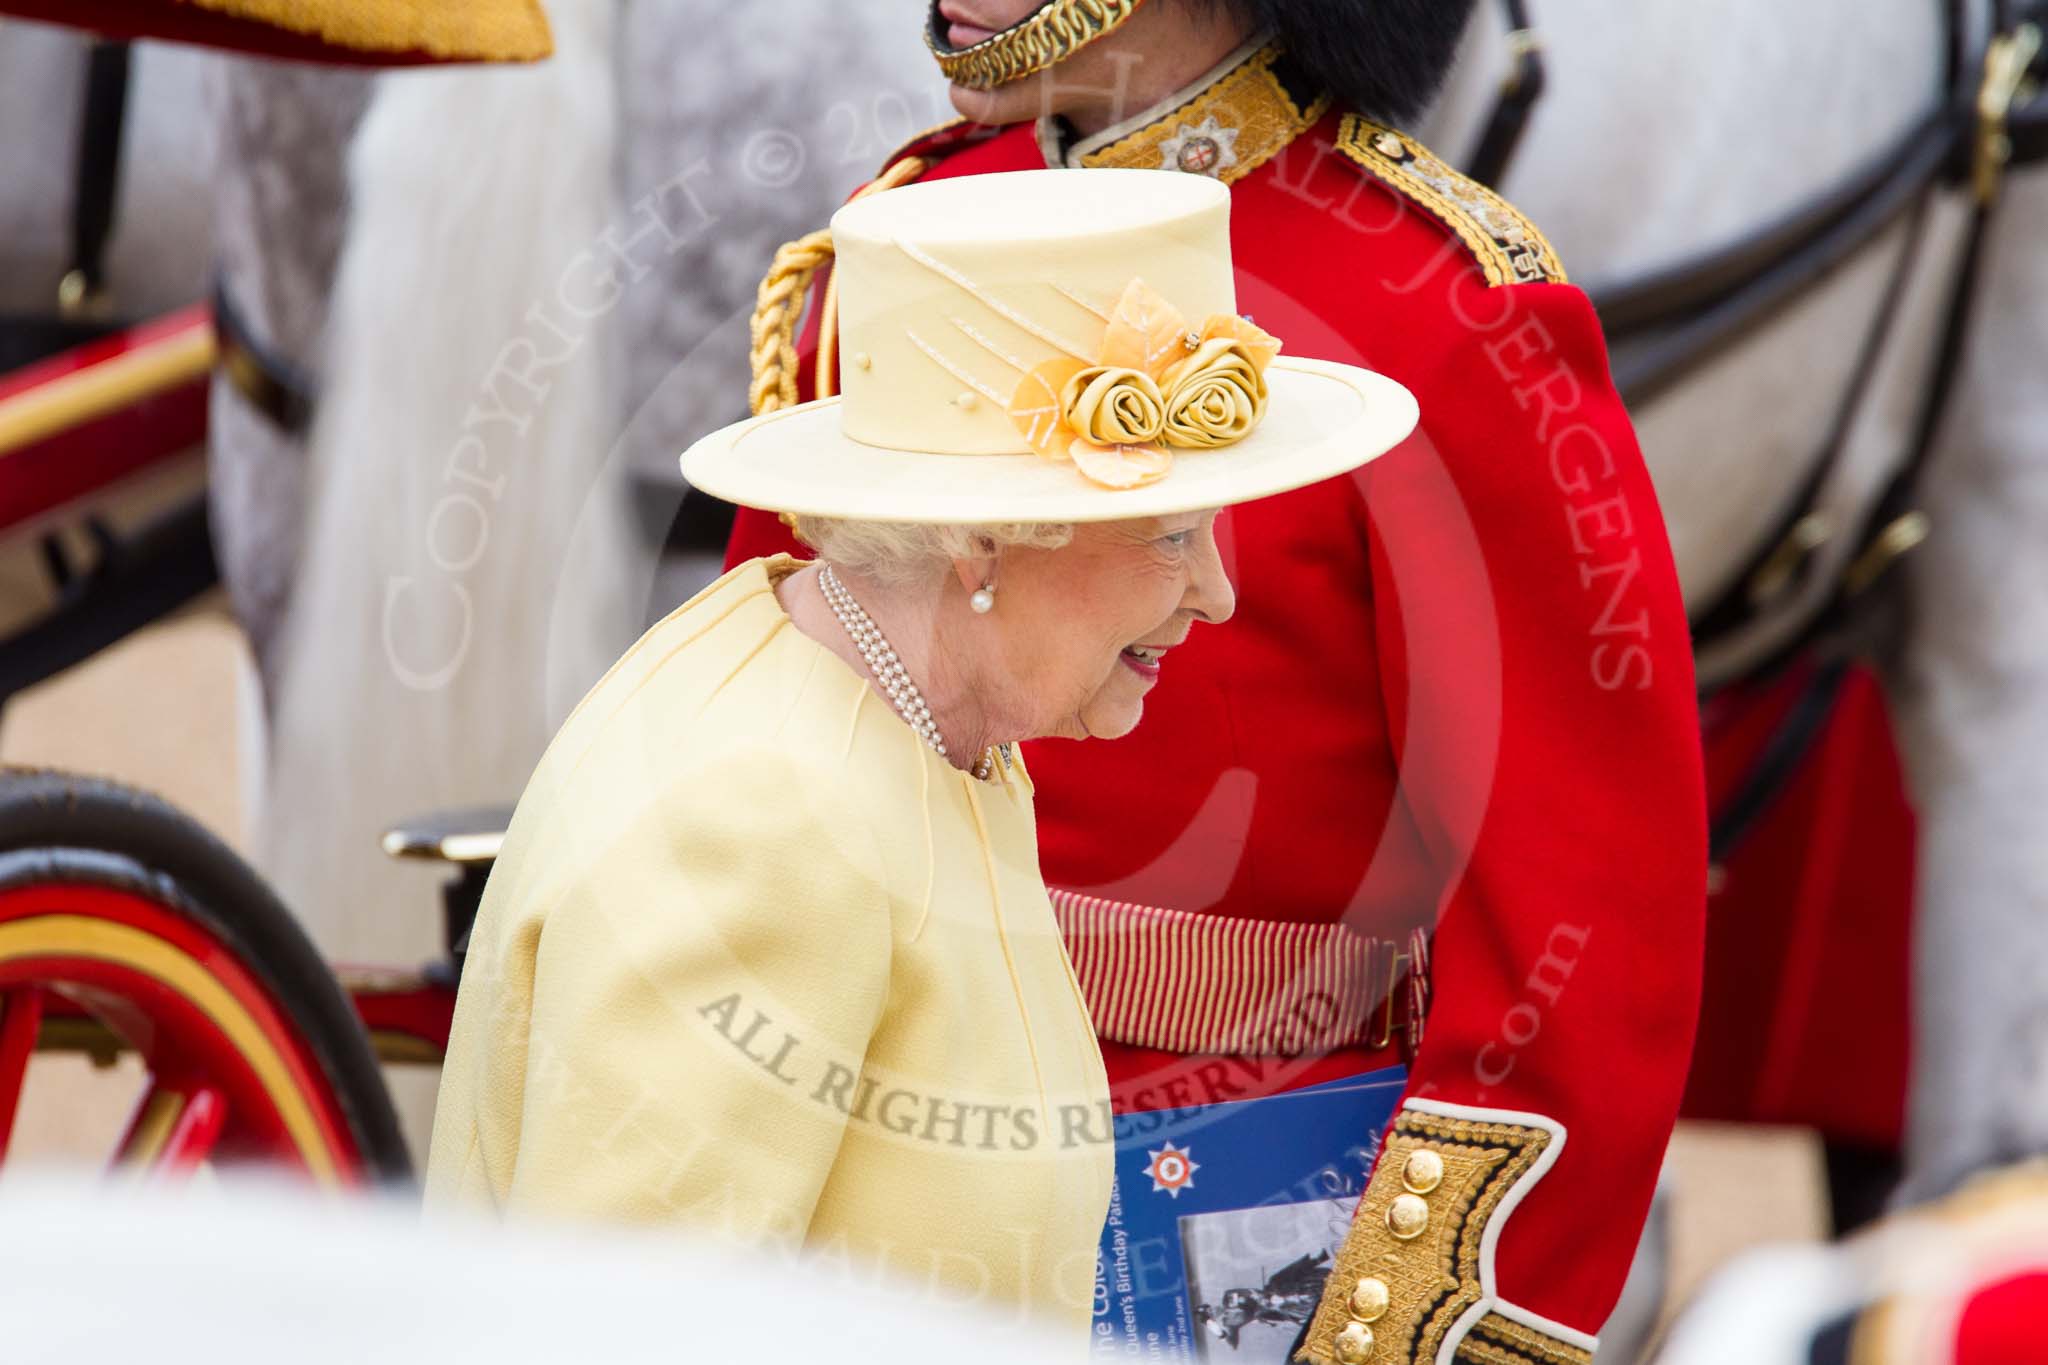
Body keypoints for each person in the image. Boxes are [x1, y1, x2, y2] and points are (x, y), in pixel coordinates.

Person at [724, 2, 1707, 1360]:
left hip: (1243, 1190)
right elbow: (757, 734)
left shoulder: (1437, 306)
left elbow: (1579, 919)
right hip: (870, 1149)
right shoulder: (901, 238)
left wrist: (1403, 1324)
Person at [424, 167, 1417, 1337]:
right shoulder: (766, 820)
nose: (1214, 593)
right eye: (1169, 534)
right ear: (982, 546)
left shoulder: (908, 713)